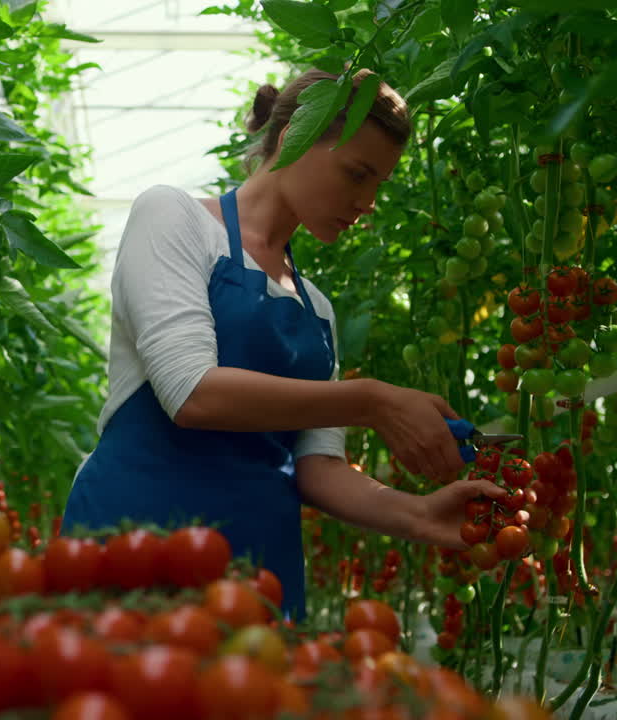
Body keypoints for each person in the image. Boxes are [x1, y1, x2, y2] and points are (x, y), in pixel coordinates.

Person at [61, 68, 506, 619]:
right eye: (357, 174)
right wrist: (372, 400)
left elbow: (319, 468)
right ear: (296, 131)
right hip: (132, 548)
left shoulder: (316, 309)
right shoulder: (173, 217)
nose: (367, 202)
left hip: (257, 570)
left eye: (378, 185)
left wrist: (420, 515)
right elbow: (191, 391)